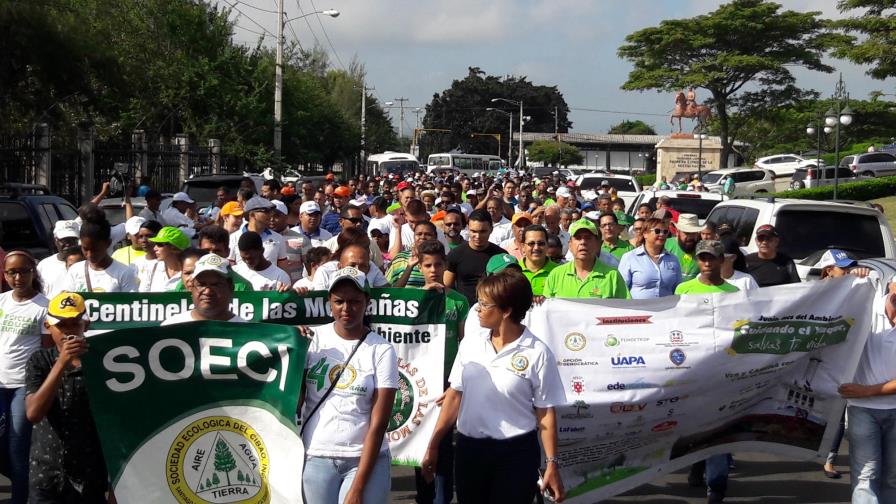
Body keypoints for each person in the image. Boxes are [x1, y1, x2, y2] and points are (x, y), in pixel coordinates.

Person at [421, 271, 566, 503]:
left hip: (516, 454)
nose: (477, 309)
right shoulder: (470, 343)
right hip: (470, 452)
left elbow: (546, 413)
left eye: (484, 304)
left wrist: (552, 464)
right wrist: (433, 445)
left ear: (506, 310)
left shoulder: (538, 352)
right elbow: (455, 396)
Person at [300, 267, 398, 504]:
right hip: (316, 456)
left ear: (367, 302)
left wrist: (358, 486)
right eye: (339, 301)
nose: (346, 309)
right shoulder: (311, 341)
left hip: (365, 460)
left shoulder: (382, 349)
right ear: (329, 303)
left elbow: (378, 423)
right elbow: (294, 400)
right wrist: (291, 345)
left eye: (354, 301)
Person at [25, 292, 107, 503]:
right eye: (62, 325)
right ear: (48, 326)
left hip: (89, 474)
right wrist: (61, 363)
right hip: (47, 473)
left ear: (85, 325)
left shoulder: (104, 362)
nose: (68, 332)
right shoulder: (39, 360)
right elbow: (34, 413)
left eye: (74, 324)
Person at [838, 290, 896, 503]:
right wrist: (844, 280)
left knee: (893, 477)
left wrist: (867, 391)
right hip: (862, 411)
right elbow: (828, 306)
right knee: (866, 475)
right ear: (891, 285)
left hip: (886, 407)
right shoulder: (865, 307)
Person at [1, 251, 48, 504]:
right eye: (12, 272)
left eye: (23, 271)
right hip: (0, 384)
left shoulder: (43, 306)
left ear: (33, 272)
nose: (18, 277)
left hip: (23, 386)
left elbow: (47, 349)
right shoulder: (1, 302)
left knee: (18, 447)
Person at [544, 219, 630, 299]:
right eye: (578, 238)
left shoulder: (613, 277)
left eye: (588, 238)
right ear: (570, 245)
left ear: (597, 244)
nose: (583, 242)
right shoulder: (556, 275)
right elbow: (546, 310)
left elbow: (625, 311)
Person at [162, 254, 247, 325]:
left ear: (230, 288)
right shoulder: (170, 327)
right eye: (201, 285)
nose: (208, 291)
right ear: (191, 288)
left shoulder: (248, 332)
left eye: (215, 285)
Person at [445, 209, 506, 303]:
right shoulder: (455, 254)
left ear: (491, 229)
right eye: (473, 231)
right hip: (464, 311)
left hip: (494, 310)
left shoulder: (501, 256)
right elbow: (447, 287)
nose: (477, 236)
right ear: (468, 229)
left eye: (483, 232)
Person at [64, 216, 138, 293]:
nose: (89, 255)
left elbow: (132, 303)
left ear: (108, 243)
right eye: (85, 249)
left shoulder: (125, 273)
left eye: (95, 249)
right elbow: (66, 301)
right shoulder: (75, 270)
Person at [617, 218, 682, 299]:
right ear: (645, 234)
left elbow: (678, 289)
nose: (662, 234)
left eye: (665, 232)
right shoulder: (630, 257)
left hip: (666, 310)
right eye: (657, 231)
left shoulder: (673, 259)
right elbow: (622, 289)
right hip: (638, 309)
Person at [229, 196, 289, 270]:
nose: (271, 215)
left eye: (271, 211)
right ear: (252, 215)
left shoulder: (278, 238)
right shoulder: (233, 238)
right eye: (266, 211)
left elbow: (284, 270)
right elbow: (230, 268)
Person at [36, 220, 81, 298]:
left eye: (72, 240)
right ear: (55, 240)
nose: (68, 244)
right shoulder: (44, 265)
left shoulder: (87, 264)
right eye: (64, 240)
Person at [386, 221, 437, 288]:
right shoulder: (400, 258)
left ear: (435, 236)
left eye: (428, 234)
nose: (423, 237)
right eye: (419, 234)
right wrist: (409, 267)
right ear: (413, 236)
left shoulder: (440, 259)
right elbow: (389, 288)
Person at [140, 226, 189, 292]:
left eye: (159, 244)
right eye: (155, 244)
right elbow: (142, 297)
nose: (155, 248)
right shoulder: (151, 268)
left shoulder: (192, 272)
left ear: (174, 248)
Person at [518, 225, 558, 297]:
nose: (536, 248)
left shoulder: (558, 272)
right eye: (531, 243)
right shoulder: (514, 272)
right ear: (523, 247)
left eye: (541, 243)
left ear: (547, 245)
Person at [665, 213, 702, 281]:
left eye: (693, 233)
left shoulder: (703, 248)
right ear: (677, 232)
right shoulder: (666, 245)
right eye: (686, 233)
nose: (690, 237)